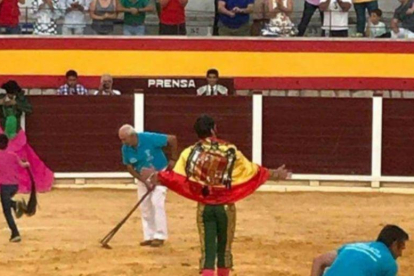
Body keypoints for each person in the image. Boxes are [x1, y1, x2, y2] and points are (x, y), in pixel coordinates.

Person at [141, 115, 290, 276]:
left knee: (208, 251)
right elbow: (251, 171)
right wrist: (275, 174)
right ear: (213, 129)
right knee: (224, 250)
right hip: (225, 208)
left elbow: (178, 179)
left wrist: (157, 176)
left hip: (205, 207)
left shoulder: (190, 153)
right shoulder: (230, 150)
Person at [118, 124, 178, 247]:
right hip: (143, 177)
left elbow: (172, 139)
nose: (123, 142)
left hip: (160, 173)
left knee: (157, 202)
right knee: (145, 207)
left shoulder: (149, 138)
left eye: (124, 139)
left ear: (132, 136)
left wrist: (173, 159)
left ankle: (160, 236)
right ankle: (149, 236)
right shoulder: (125, 148)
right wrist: (143, 181)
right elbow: (129, 167)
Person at [311, 224, 409, 276]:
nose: (400, 254)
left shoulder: (353, 246)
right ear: (395, 244)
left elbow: (319, 261)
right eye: (401, 247)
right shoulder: (389, 264)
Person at [0, 134, 30, 242]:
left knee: (7, 211)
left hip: (4, 187)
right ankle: (16, 204)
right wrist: (27, 164)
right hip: (14, 186)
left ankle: (15, 233)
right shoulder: (13, 155)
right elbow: (23, 165)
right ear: (7, 144)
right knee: (7, 203)